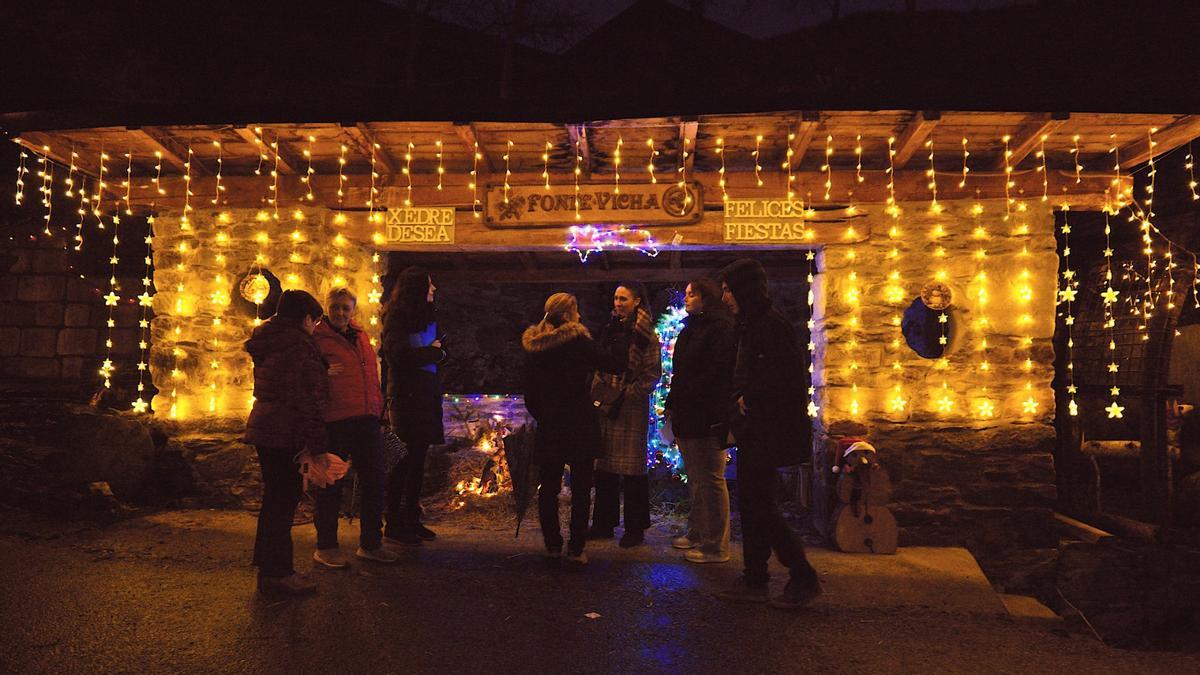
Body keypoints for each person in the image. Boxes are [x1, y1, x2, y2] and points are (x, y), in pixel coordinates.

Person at [717, 258, 822, 610]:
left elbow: (784, 376)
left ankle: (802, 574)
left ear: (744, 290)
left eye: (729, 290)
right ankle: (755, 575)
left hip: (767, 429)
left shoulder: (769, 326)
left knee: (760, 505)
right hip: (755, 429)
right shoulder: (750, 324)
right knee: (753, 503)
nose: (725, 297)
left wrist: (750, 398)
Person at [522, 292, 627, 568]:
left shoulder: (535, 345)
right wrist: (618, 335)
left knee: (549, 488)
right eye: (577, 311)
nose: (580, 315)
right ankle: (577, 547)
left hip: (551, 424)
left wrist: (543, 415)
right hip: (580, 421)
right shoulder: (579, 341)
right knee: (581, 489)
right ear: (569, 315)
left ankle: (552, 544)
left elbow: (529, 391)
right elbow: (615, 365)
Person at [243, 289, 328, 596]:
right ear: (306, 318)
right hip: (285, 431)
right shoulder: (297, 347)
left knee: (274, 501)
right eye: (315, 321)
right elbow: (307, 399)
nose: (315, 327)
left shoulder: (271, 341)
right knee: (283, 501)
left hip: (266, 426)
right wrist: (317, 445)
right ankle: (277, 575)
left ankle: (271, 570)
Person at [309, 287, 400, 568]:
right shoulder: (316, 338)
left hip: (366, 419)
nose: (339, 312)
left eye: (345, 308)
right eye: (335, 307)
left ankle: (371, 543)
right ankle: (326, 546)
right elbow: (308, 377)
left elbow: (370, 377)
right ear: (327, 308)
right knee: (330, 485)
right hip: (334, 420)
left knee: (375, 480)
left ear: (352, 310)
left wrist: (378, 412)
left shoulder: (361, 336)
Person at [663, 279, 736, 564]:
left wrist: (694, 396)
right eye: (686, 294)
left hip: (707, 415)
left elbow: (718, 374)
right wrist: (673, 403)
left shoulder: (721, 329)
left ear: (707, 298)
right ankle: (697, 531)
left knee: (711, 478)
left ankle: (716, 545)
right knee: (695, 477)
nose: (687, 298)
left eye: (692, 294)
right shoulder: (691, 328)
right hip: (687, 413)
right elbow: (681, 372)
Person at [589, 282, 662, 548]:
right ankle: (603, 524)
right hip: (607, 404)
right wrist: (600, 391)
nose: (618, 303)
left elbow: (652, 372)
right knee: (604, 467)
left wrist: (627, 394)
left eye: (624, 299)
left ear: (637, 302)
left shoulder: (645, 334)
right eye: (616, 298)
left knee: (632, 471)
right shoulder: (610, 330)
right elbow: (599, 361)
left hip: (631, 407)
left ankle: (634, 528)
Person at [381, 267, 446, 546]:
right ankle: (393, 522)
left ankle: (411, 518)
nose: (433, 290)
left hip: (426, 396)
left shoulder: (429, 318)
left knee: (417, 462)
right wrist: (432, 352)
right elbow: (398, 355)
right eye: (429, 285)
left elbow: (441, 348)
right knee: (402, 461)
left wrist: (437, 351)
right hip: (407, 399)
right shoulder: (396, 318)